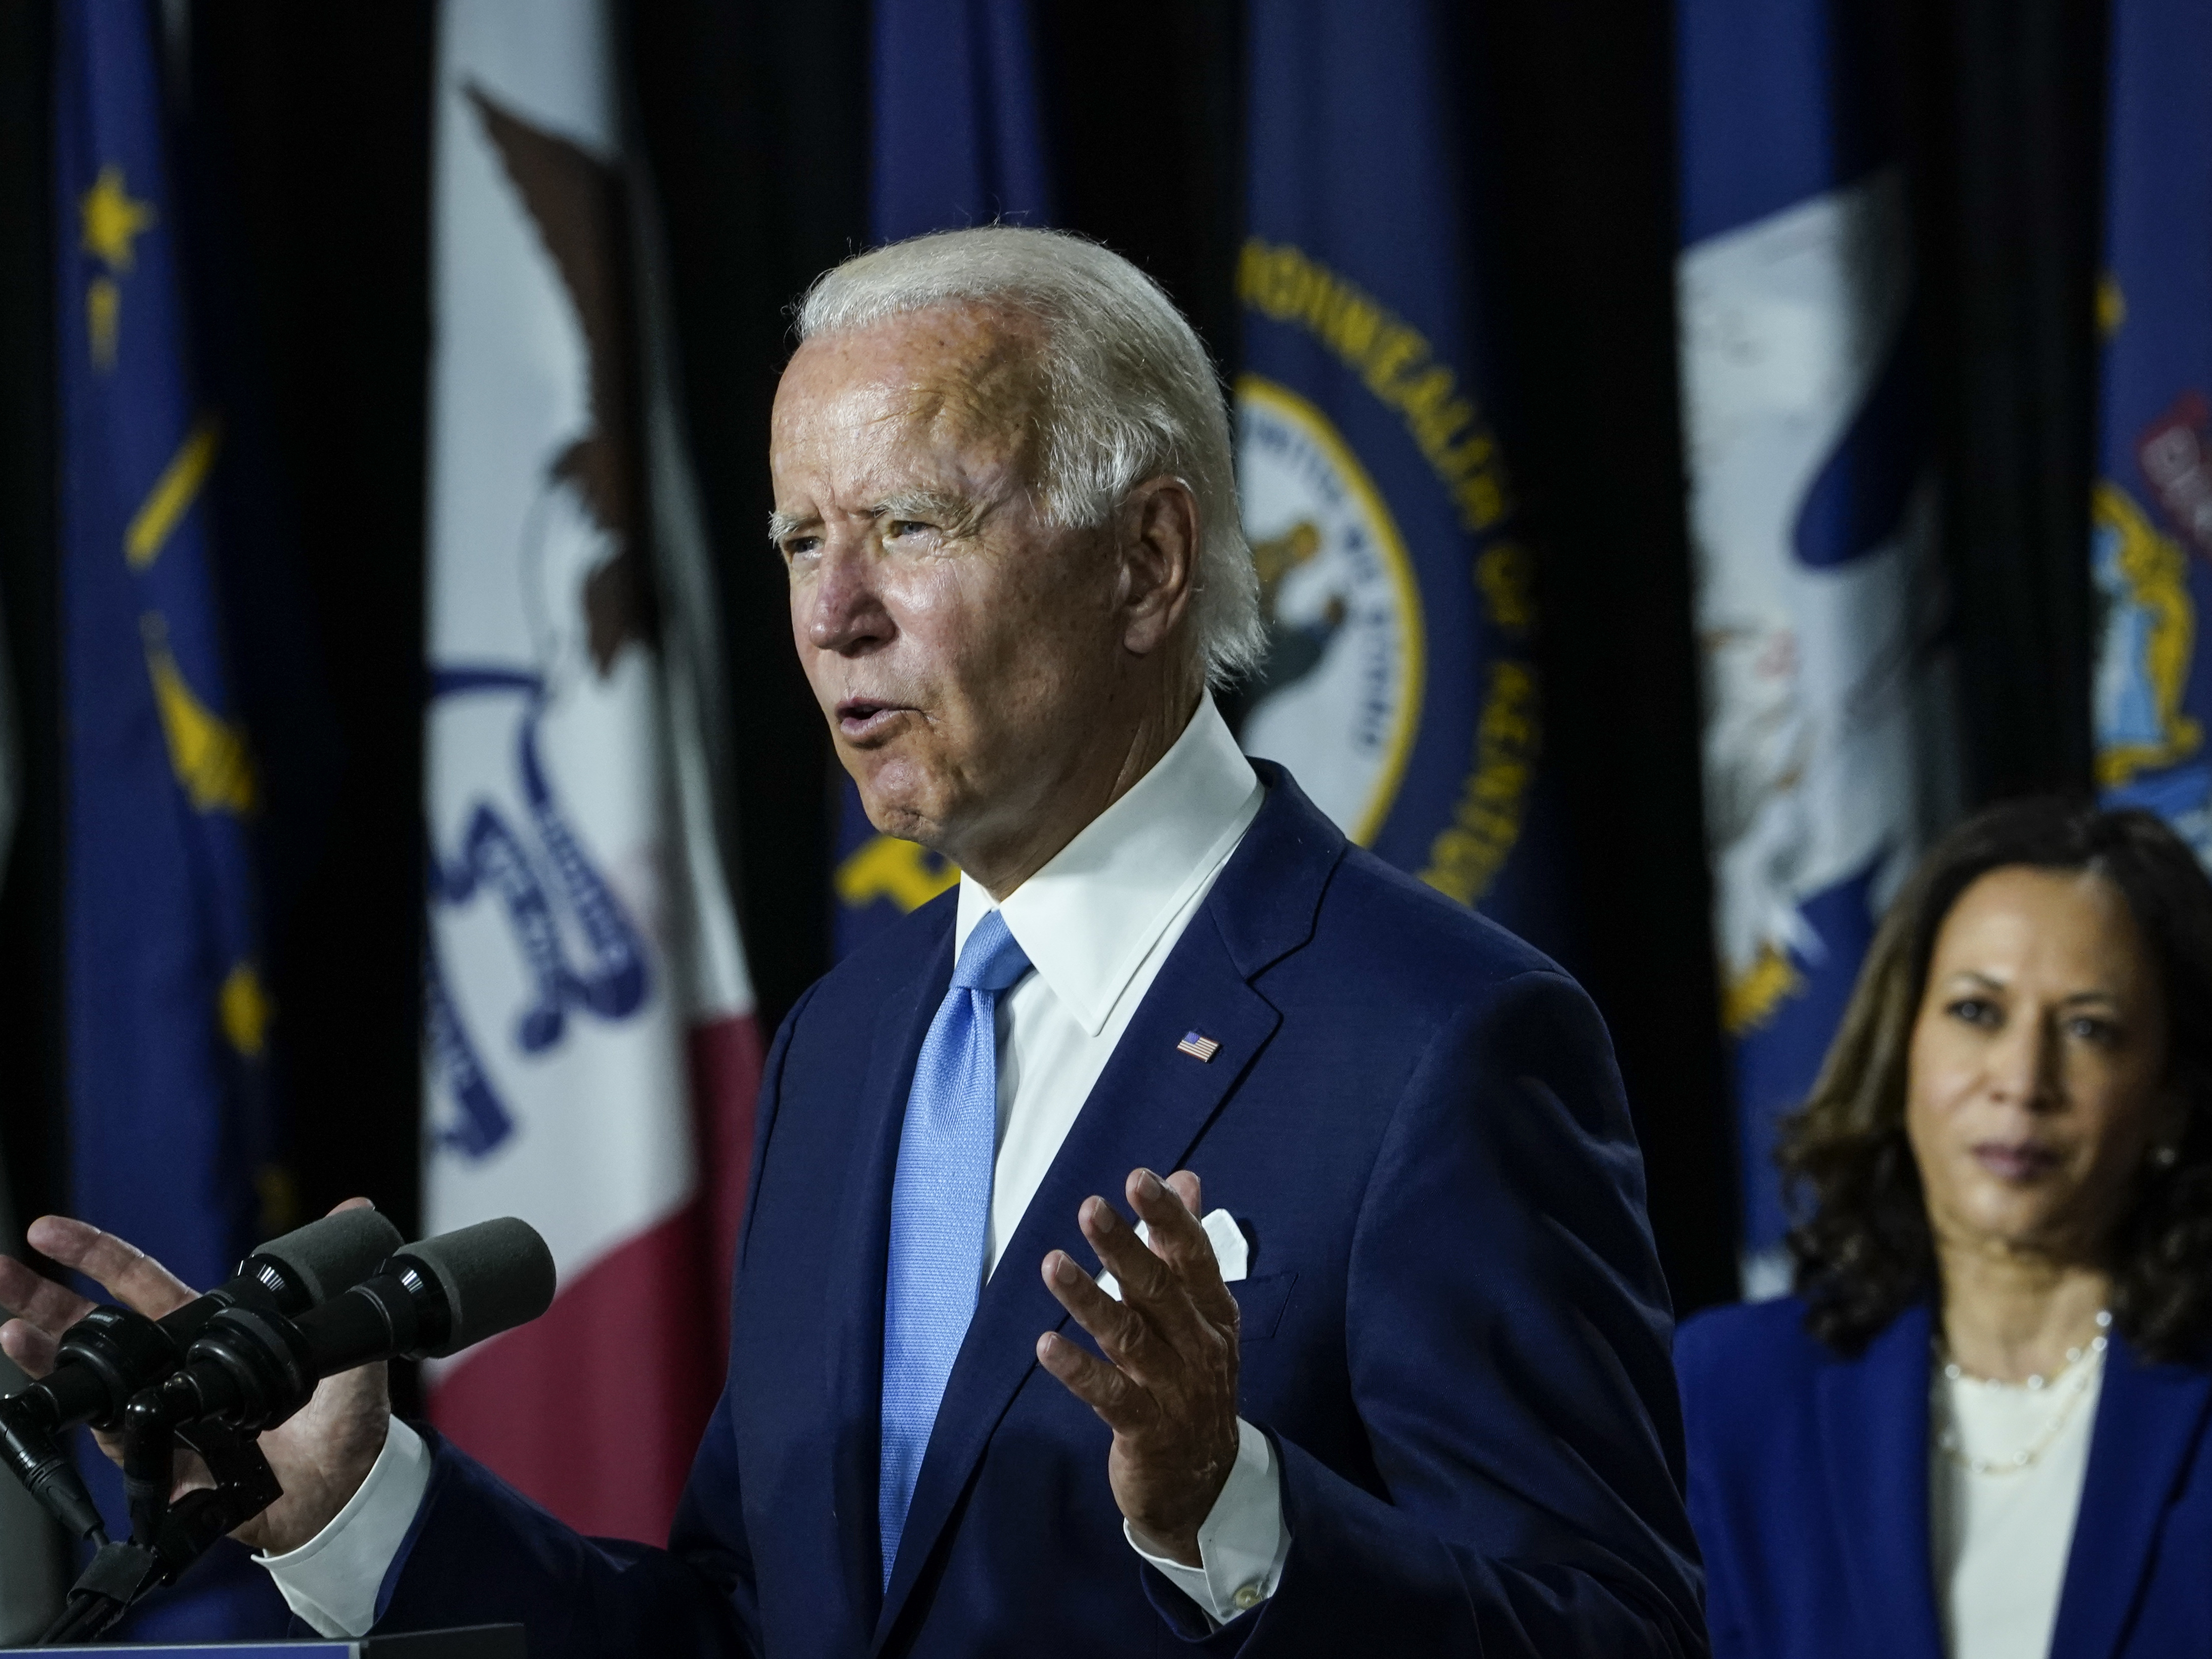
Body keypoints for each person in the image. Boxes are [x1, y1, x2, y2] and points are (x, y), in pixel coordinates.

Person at [1, 227, 1705, 1656]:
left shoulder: (1437, 1040)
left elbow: (1609, 1631)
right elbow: (755, 1628)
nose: (832, 614)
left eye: (910, 525)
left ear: (1148, 560)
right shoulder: (856, 1039)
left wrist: (1234, 1514)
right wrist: (359, 1515)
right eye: (803, 541)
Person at [1677, 799, 2212, 1659]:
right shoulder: (1730, 1393)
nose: (2023, 1080)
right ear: (1903, 1050)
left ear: (2170, 1101)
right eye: (1977, 1012)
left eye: (2088, 1029)